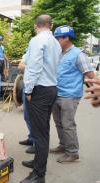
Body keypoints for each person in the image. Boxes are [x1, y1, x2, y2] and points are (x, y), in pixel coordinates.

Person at [20, 15, 62, 183]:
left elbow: (34, 66)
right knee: (42, 130)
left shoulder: (37, 40)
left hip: (39, 89)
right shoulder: (55, 42)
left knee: (40, 133)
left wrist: (28, 89)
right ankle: (38, 163)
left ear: (35, 25)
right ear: (50, 25)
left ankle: (38, 175)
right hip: (51, 87)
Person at [50, 25, 95, 163]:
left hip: (70, 95)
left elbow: (90, 74)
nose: (56, 40)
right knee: (59, 123)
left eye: (58, 38)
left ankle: (73, 152)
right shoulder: (58, 53)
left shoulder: (78, 54)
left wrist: (94, 92)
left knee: (68, 124)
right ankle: (63, 146)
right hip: (56, 93)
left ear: (67, 38)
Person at [18, 53, 35, 155]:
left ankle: (36, 144)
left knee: (35, 118)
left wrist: (28, 68)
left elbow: (38, 71)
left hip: (36, 88)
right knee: (27, 116)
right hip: (27, 87)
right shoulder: (29, 53)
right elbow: (20, 66)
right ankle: (31, 138)